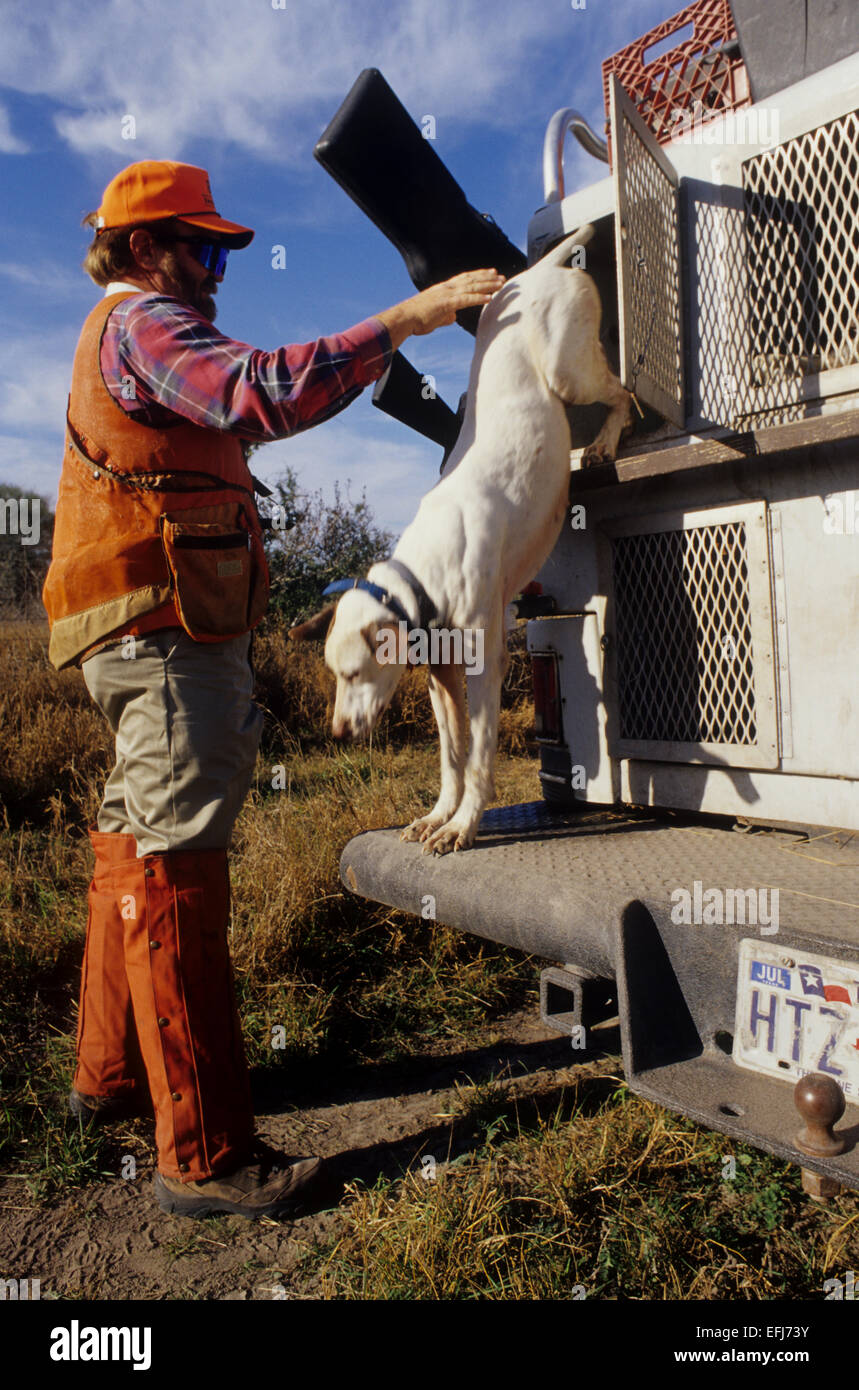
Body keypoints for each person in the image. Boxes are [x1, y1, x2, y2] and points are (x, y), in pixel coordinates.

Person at [42, 159, 504, 1219]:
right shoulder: (145, 324)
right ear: (146, 248)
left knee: (132, 839)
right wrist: (408, 317)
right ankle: (202, 1152)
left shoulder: (120, 334)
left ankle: (108, 1077)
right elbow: (265, 388)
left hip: (139, 624)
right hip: (164, 631)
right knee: (176, 866)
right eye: (202, 247)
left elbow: (241, 415)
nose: (216, 268)